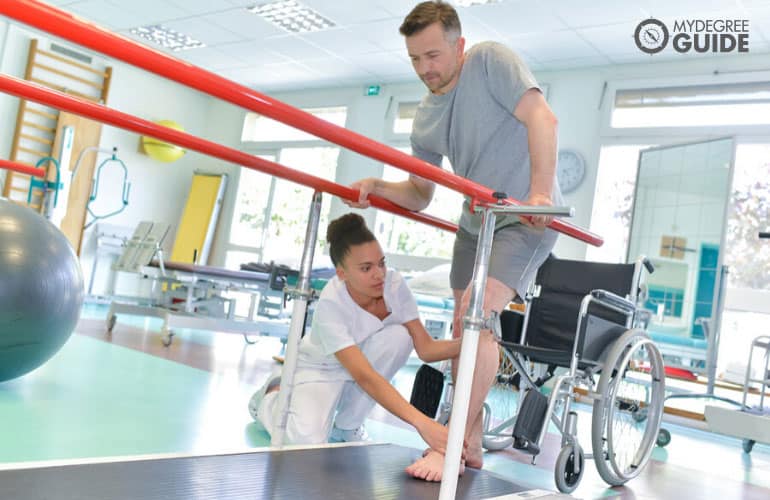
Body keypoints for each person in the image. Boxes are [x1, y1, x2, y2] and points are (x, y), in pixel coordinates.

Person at [345, 1, 562, 482]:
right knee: (469, 325)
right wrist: (379, 189)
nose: (427, 69)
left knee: (477, 315)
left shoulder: (490, 61)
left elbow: (543, 119)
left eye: (434, 55)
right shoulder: (425, 115)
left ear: (459, 46)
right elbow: (420, 194)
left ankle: (452, 440)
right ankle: (475, 438)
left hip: (521, 219)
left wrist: (540, 195)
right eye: (416, 59)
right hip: (474, 224)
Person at [248, 213, 462, 458]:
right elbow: (366, 377)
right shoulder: (332, 303)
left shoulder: (394, 285)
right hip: (320, 368)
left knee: (400, 337)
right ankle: (268, 399)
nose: (379, 274)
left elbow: (425, 348)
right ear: (342, 273)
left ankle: (347, 426)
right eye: (366, 268)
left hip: (362, 362)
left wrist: (470, 344)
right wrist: (422, 423)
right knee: (306, 442)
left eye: (381, 263)